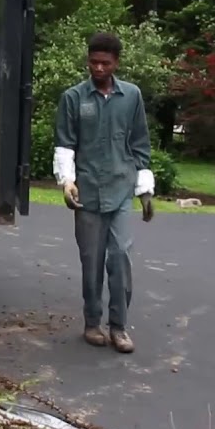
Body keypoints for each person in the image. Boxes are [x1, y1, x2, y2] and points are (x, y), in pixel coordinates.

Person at [53, 32, 155, 353]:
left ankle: (119, 327)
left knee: (121, 257)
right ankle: (92, 322)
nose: (98, 68)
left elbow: (139, 145)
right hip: (88, 194)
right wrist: (67, 182)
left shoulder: (132, 96)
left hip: (122, 188)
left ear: (116, 63)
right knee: (92, 261)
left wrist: (145, 191)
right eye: (93, 62)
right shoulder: (74, 98)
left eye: (105, 63)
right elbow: (65, 144)